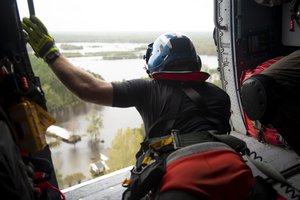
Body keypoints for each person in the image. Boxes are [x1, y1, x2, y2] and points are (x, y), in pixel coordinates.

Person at [22, 16, 281, 200]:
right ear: (195, 61)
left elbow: (87, 87)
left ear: (156, 63)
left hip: (181, 173)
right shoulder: (219, 95)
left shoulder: (146, 89)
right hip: (232, 165)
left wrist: (50, 52)